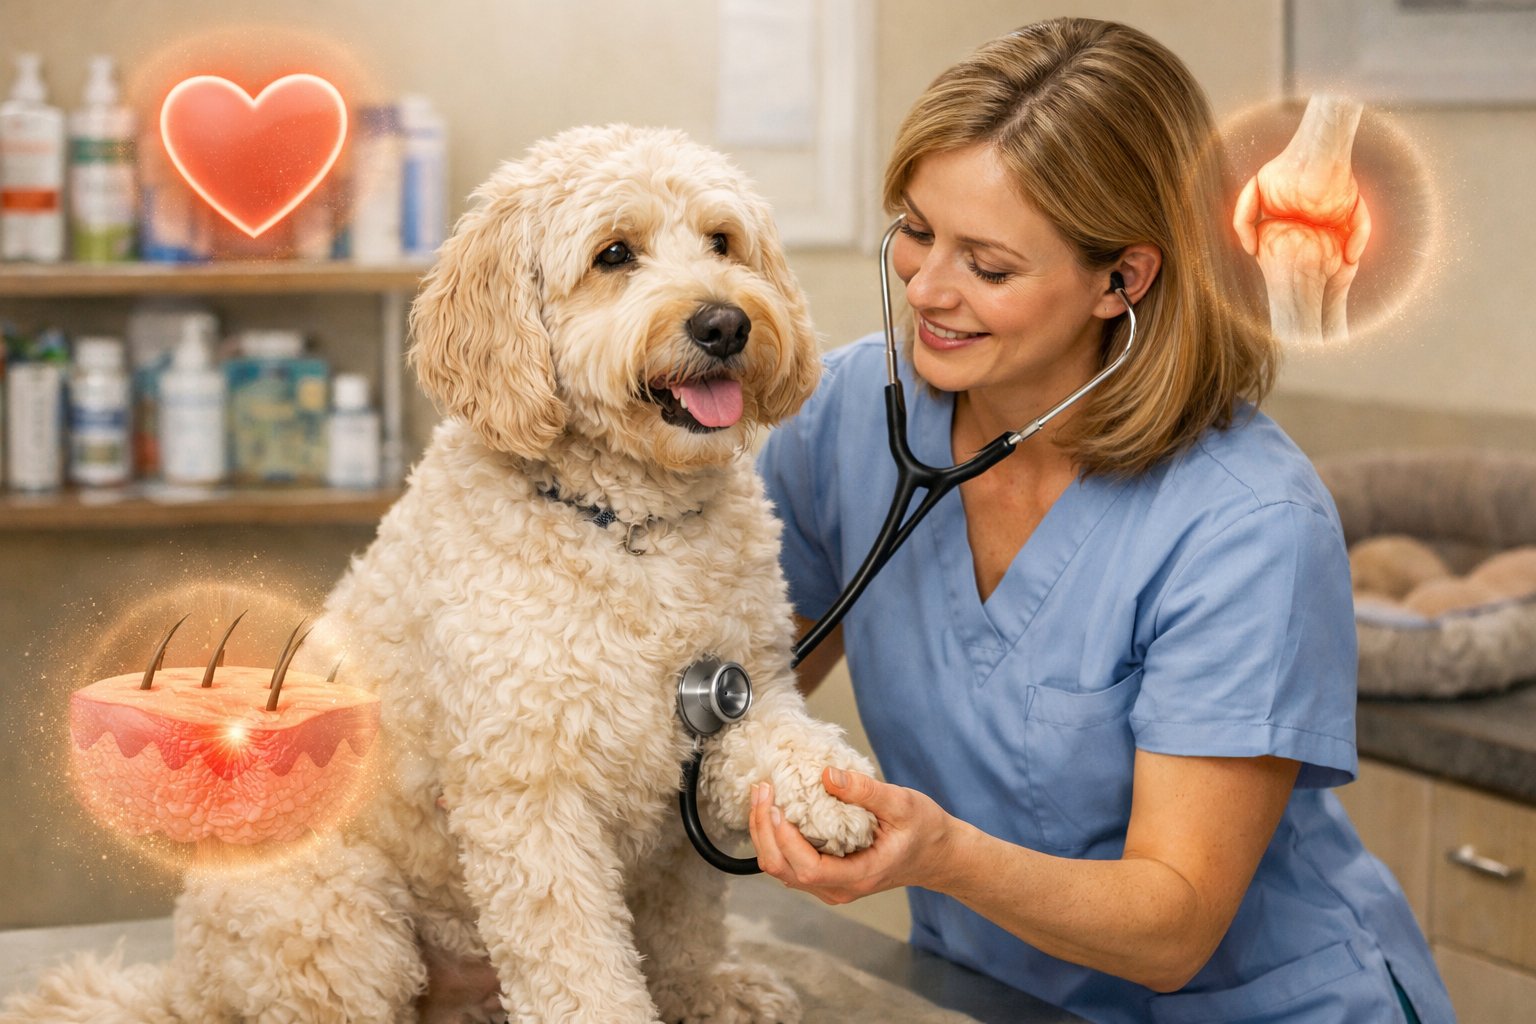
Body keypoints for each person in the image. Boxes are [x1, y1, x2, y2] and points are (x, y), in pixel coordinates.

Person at [749, 17, 1453, 1024]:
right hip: (995, 992)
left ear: (1121, 278)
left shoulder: (1245, 522)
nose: (928, 290)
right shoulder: (855, 415)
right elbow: (734, 674)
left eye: (988, 266)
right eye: (915, 230)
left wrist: (940, 853)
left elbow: (1173, 921)